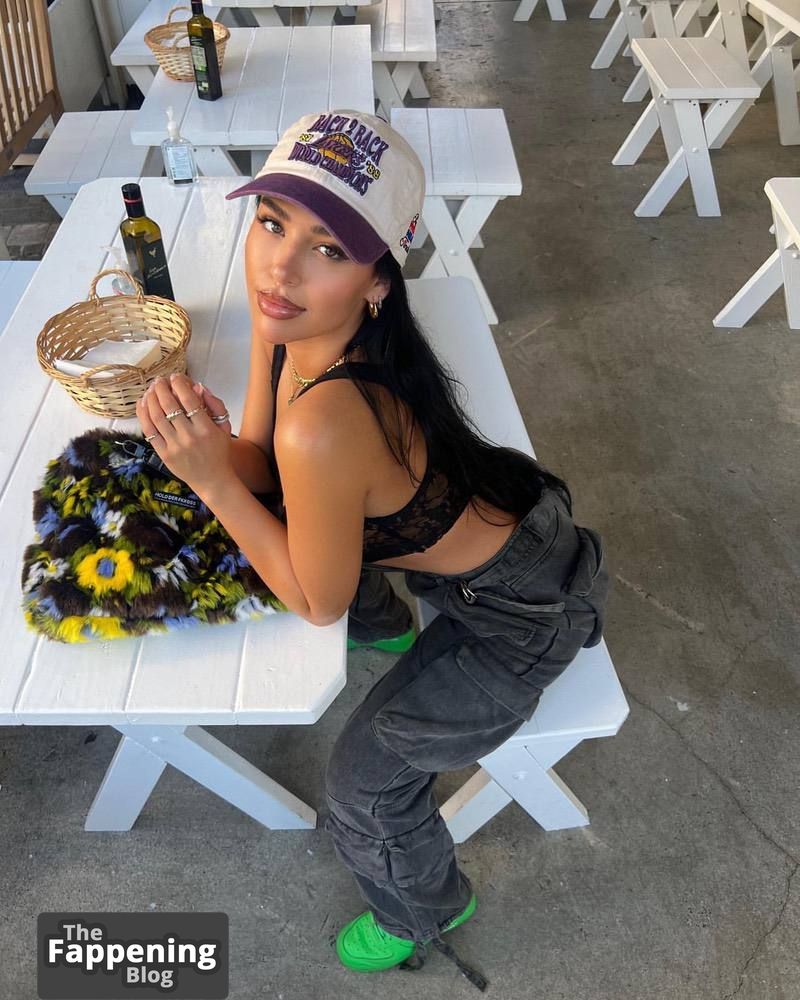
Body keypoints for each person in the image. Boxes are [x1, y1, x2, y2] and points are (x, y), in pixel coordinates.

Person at [135, 109, 609, 989]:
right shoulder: (295, 331)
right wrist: (207, 450)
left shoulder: (328, 421)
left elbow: (314, 598)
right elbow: (261, 458)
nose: (279, 268)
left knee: (362, 786)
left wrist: (210, 482)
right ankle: (388, 623)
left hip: (523, 613)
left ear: (380, 282)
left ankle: (424, 908)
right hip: (504, 540)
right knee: (303, 521)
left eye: (327, 248)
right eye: (272, 221)